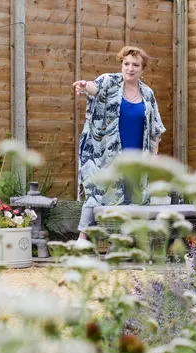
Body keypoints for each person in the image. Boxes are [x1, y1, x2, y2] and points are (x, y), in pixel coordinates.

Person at [73, 46, 166, 241]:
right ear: (121, 65)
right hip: (104, 153)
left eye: (135, 65)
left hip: (135, 159)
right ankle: (82, 238)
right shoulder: (109, 81)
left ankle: (120, 242)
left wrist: (154, 155)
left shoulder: (147, 94)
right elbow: (94, 88)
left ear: (143, 69)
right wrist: (84, 85)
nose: (130, 68)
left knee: (131, 200)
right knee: (96, 193)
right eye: (126, 64)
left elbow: (155, 128)